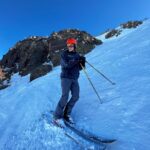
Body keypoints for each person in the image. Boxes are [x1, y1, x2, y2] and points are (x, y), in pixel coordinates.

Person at [53, 38, 86, 124]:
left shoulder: (77, 55)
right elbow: (66, 65)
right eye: (68, 45)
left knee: (76, 96)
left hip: (74, 78)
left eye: (71, 45)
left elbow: (79, 68)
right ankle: (57, 116)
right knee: (65, 97)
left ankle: (66, 114)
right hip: (66, 78)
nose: (69, 47)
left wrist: (82, 62)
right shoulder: (64, 54)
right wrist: (76, 61)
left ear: (74, 46)